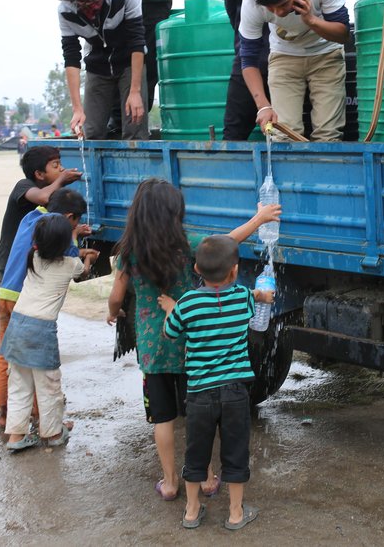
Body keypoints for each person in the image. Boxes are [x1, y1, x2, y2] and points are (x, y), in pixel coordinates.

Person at [106, 178, 280, 503]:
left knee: (163, 416)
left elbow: (116, 297)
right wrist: (258, 220)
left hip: (153, 346)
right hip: (191, 341)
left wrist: (113, 312)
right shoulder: (185, 245)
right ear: (174, 214)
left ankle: (171, 482)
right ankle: (208, 477)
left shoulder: (128, 252)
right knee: (197, 412)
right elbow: (225, 243)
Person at [159, 235, 269, 530]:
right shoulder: (242, 298)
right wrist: (261, 296)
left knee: (197, 452)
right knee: (235, 451)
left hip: (200, 394)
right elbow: (251, 300)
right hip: (235, 392)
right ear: (235, 271)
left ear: (196, 268)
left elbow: (170, 332)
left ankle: (192, 511)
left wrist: (171, 308)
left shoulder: (188, 303)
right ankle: (235, 513)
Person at [0, 146, 82, 423]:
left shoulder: (36, 216)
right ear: (39, 173)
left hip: (13, 282)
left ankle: (6, 410)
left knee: (13, 353)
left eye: (61, 164)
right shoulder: (25, 188)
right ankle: (14, 410)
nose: (61, 169)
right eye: (55, 166)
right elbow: (44, 197)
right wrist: (63, 182)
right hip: (8, 277)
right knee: (15, 354)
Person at [0, 188, 96, 429]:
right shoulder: (60, 241)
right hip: (26, 301)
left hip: (6, 295)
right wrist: (75, 239)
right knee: (39, 369)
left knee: (8, 360)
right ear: (69, 217)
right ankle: (45, 422)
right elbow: (72, 261)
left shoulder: (31, 219)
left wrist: (71, 231)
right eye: (75, 221)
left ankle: (3, 413)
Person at [239, 0, 350, 141]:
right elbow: (248, 58)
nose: (278, 13)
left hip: (326, 54)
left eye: (283, 4)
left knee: (328, 135)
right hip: (283, 56)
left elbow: (343, 35)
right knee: (283, 134)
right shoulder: (251, 3)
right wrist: (263, 106)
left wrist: (311, 19)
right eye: (270, 8)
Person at [223, 0, 309, 140]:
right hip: (296, 60)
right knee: (295, 131)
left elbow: (236, 21)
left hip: (252, 59)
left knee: (235, 132)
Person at [56, 0, 149, 140]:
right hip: (97, 65)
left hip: (129, 61)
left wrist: (135, 92)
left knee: (135, 124)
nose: (92, 8)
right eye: (83, 5)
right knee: (91, 131)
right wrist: (76, 108)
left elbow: (137, 41)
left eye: (96, 0)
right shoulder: (65, 10)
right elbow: (72, 57)